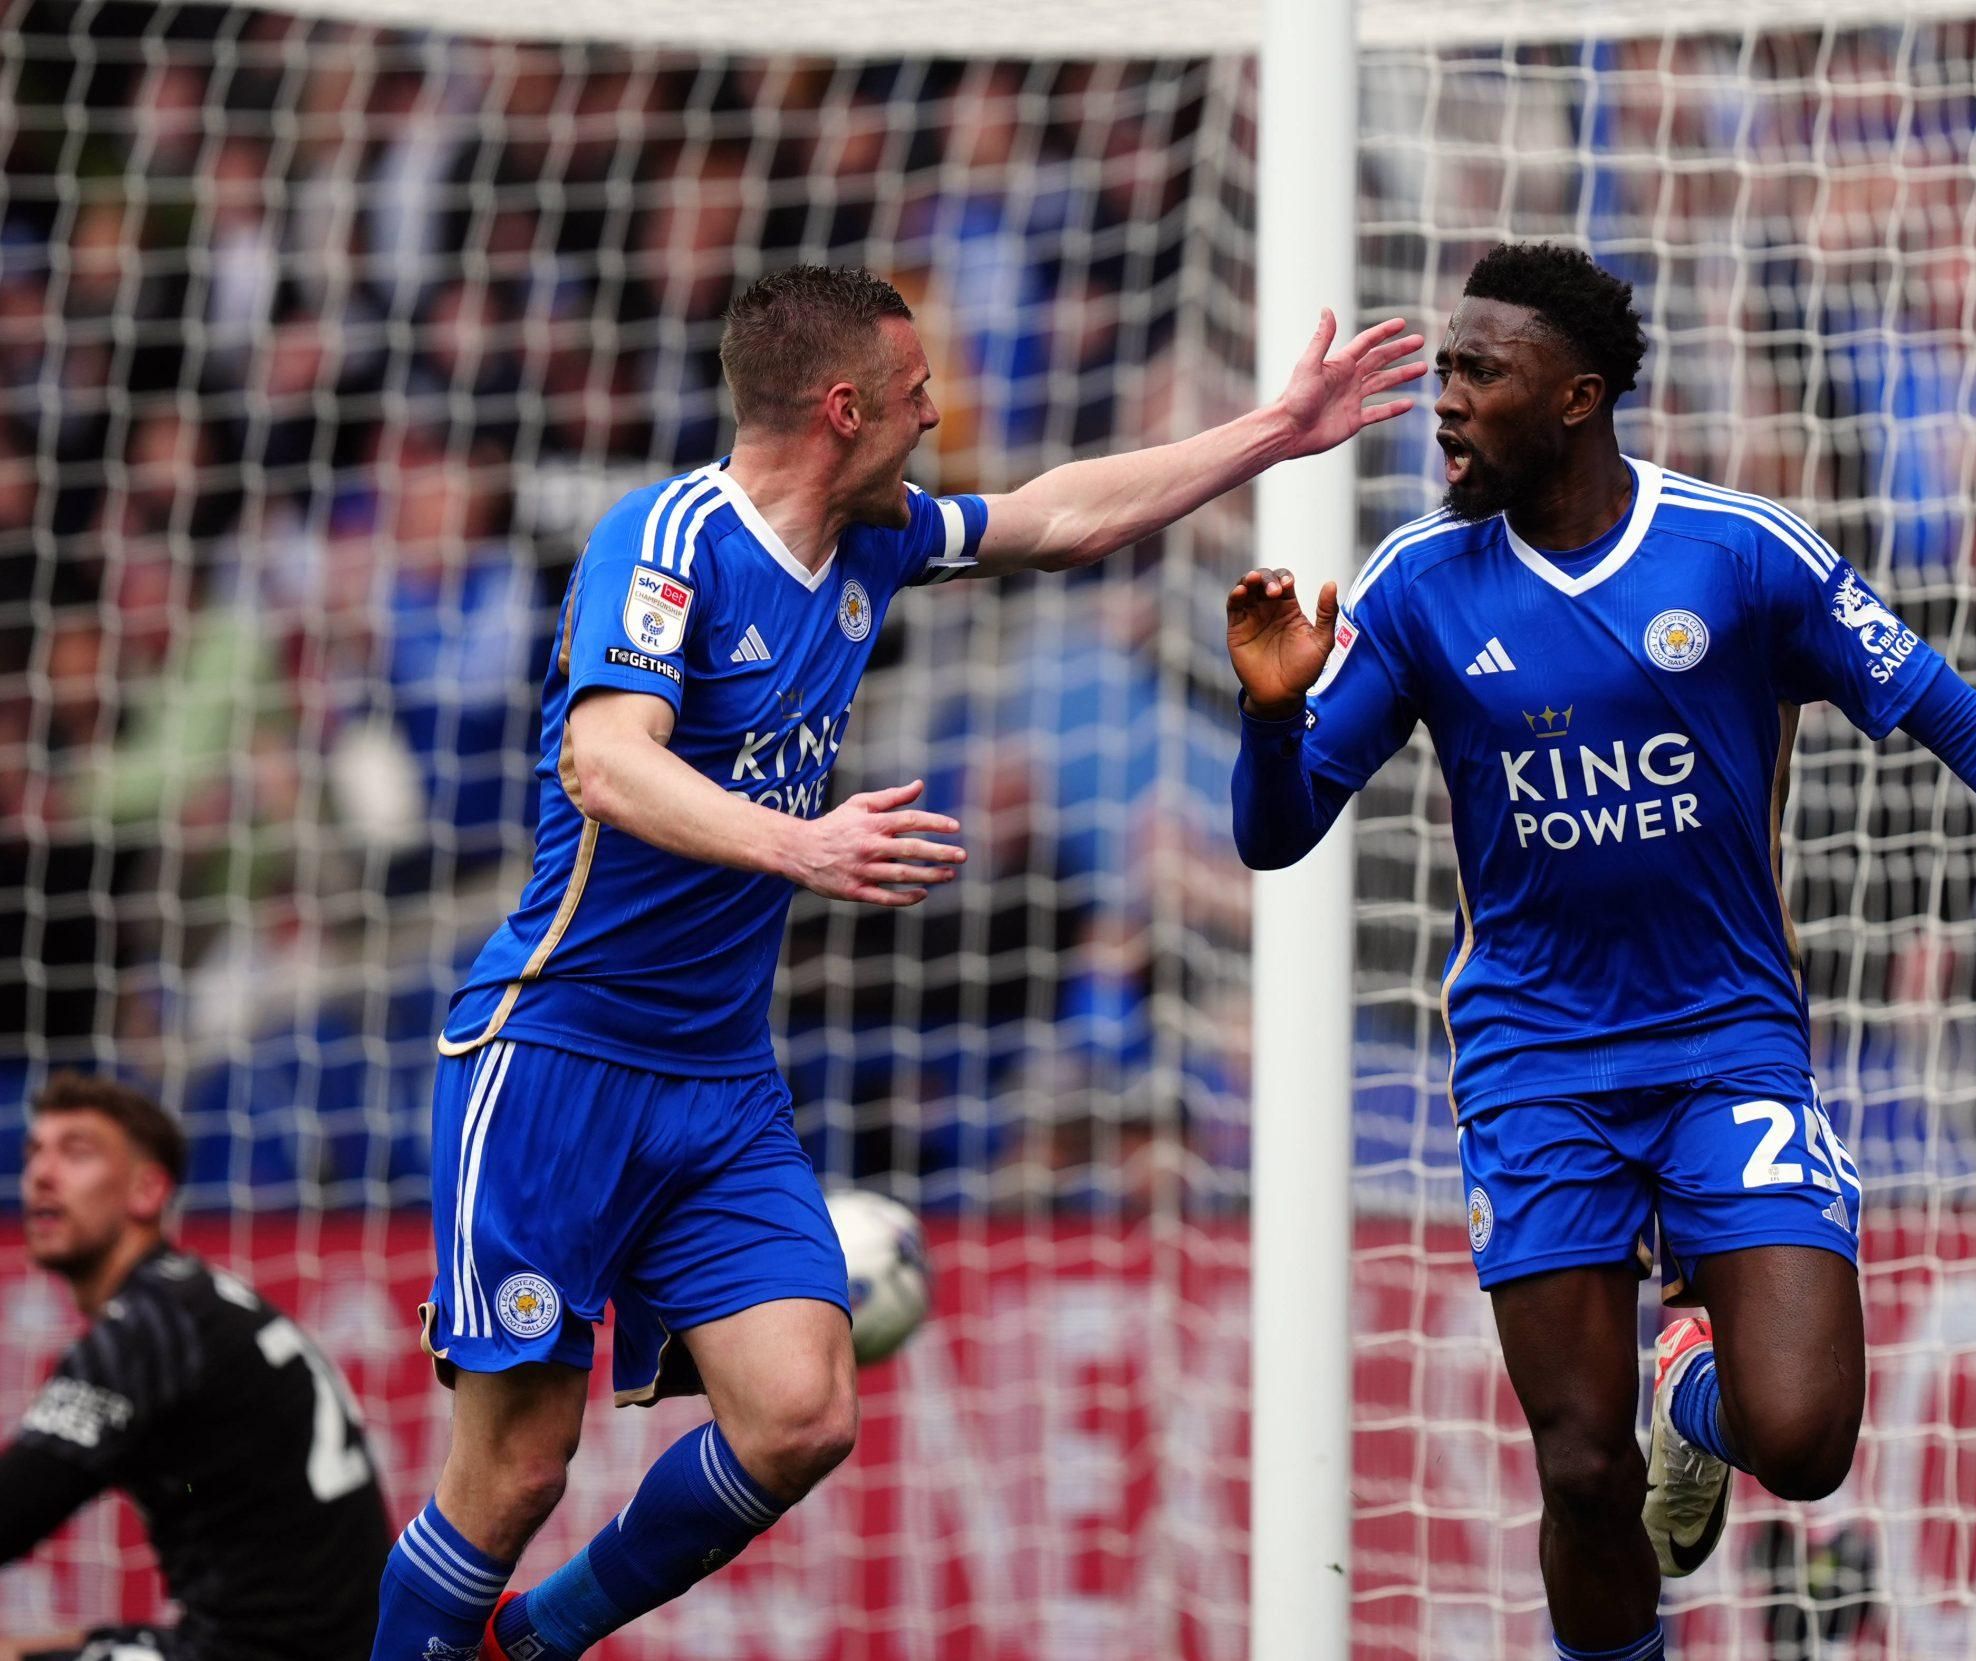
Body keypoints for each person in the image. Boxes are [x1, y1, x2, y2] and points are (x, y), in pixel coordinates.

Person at [1224, 242, 1976, 1661]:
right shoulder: (1416, 587)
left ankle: (1692, 1384)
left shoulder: (1739, 554)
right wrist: (1272, 717)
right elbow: (1276, 835)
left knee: (1805, 1438)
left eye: (1480, 372)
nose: (1446, 400)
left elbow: (1958, 719)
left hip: (1727, 1045)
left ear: (1579, 397)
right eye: (1446, 369)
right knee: (1583, 1468)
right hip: (1537, 1063)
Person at [369, 264, 1422, 1661]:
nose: (937, 417)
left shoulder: (875, 540)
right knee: (513, 1470)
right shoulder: (668, 540)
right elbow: (603, 760)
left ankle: (536, 1640)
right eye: (917, 393)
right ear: (844, 408)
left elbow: (1053, 515)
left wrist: (1273, 433)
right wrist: (799, 844)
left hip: (718, 1079)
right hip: (559, 1054)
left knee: (800, 1414)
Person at [1, 1074, 390, 1661]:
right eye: (34, 1152)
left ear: (147, 1191)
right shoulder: (195, 1303)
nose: (40, 1174)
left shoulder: (146, 1330)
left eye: (76, 1152)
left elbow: (13, 1511)